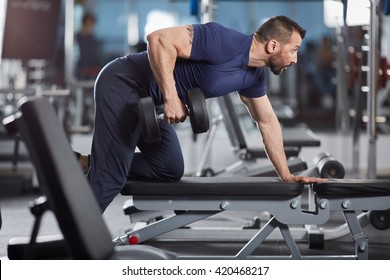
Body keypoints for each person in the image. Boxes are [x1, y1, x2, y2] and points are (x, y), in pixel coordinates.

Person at [84, 15, 326, 212]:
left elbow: (267, 121)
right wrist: (171, 98)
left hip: (149, 102)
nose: (294, 59)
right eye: (293, 50)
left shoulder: (253, 76)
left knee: (168, 168)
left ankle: (89, 162)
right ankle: (79, 246)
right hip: (123, 83)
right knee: (110, 177)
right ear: (273, 45)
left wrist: (286, 174)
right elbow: (158, 40)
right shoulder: (223, 40)